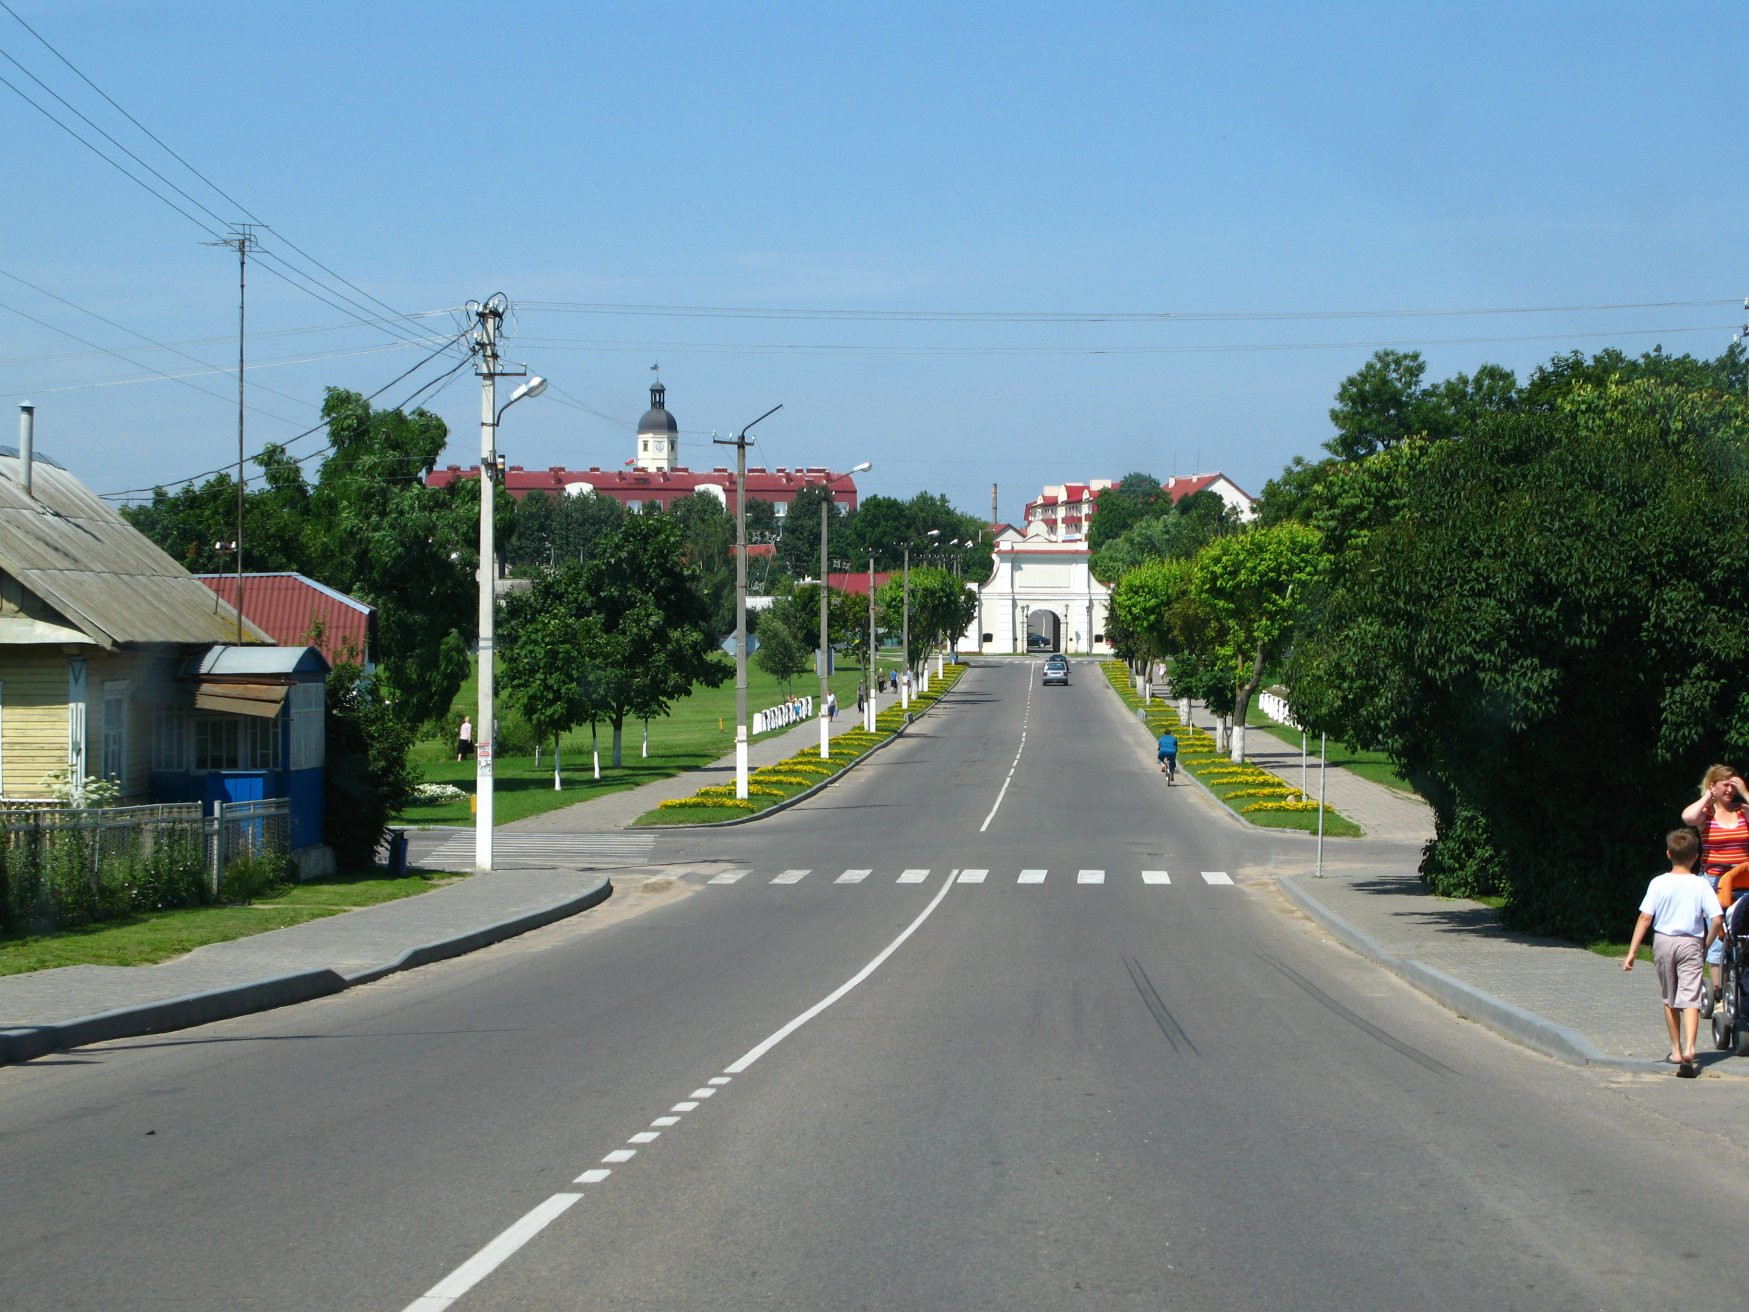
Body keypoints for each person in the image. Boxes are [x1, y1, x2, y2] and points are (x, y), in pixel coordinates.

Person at [1624, 828, 1723, 1077]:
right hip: (1691, 941)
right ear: (1696, 856)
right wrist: (1706, 944)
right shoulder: (1700, 884)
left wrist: (1632, 952)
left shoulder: (1658, 883)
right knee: (1690, 998)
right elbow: (1717, 919)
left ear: (1668, 853)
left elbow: (1646, 917)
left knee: (1670, 997)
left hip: (1664, 942)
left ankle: (1676, 1051)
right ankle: (1691, 1048)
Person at [1680, 764, 1749, 1007]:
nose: (1730, 789)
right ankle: (1719, 992)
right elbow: (1687, 817)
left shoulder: (1743, 811)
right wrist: (1708, 795)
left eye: (1734, 784)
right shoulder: (1706, 814)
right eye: (1725, 784)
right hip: (1712, 881)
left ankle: (1742, 982)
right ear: (1713, 786)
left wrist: (1745, 791)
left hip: (1743, 879)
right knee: (1719, 932)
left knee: (1742, 932)